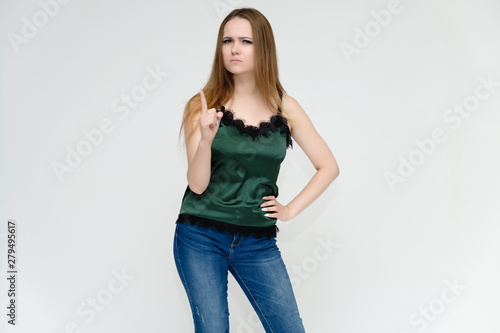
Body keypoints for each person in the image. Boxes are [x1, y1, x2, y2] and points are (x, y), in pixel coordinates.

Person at [174, 7, 339, 333]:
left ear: (263, 49)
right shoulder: (203, 107)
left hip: (257, 241)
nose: (234, 49)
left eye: (246, 41)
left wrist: (290, 209)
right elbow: (196, 185)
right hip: (200, 236)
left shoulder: (285, 107)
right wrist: (206, 140)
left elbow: (328, 166)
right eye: (228, 40)